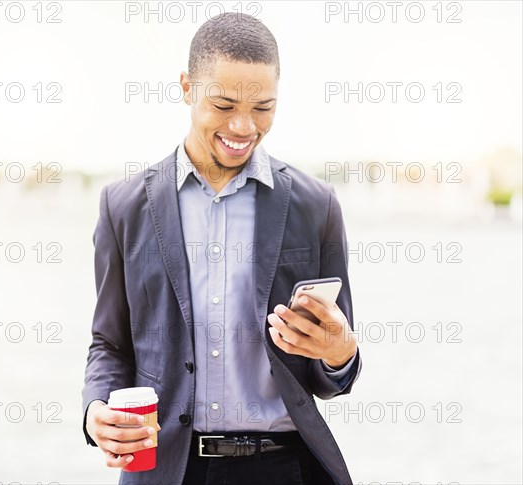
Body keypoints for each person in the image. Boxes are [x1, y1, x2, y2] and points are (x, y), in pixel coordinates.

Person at [82, 12, 362, 485]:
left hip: (285, 467)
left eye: (263, 107)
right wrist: (95, 410)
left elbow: (333, 368)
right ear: (187, 87)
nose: (244, 126)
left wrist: (340, 352)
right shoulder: (123, 206)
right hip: (167, 469)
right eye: (224, 103)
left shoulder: (317, 206)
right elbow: (109, 343)